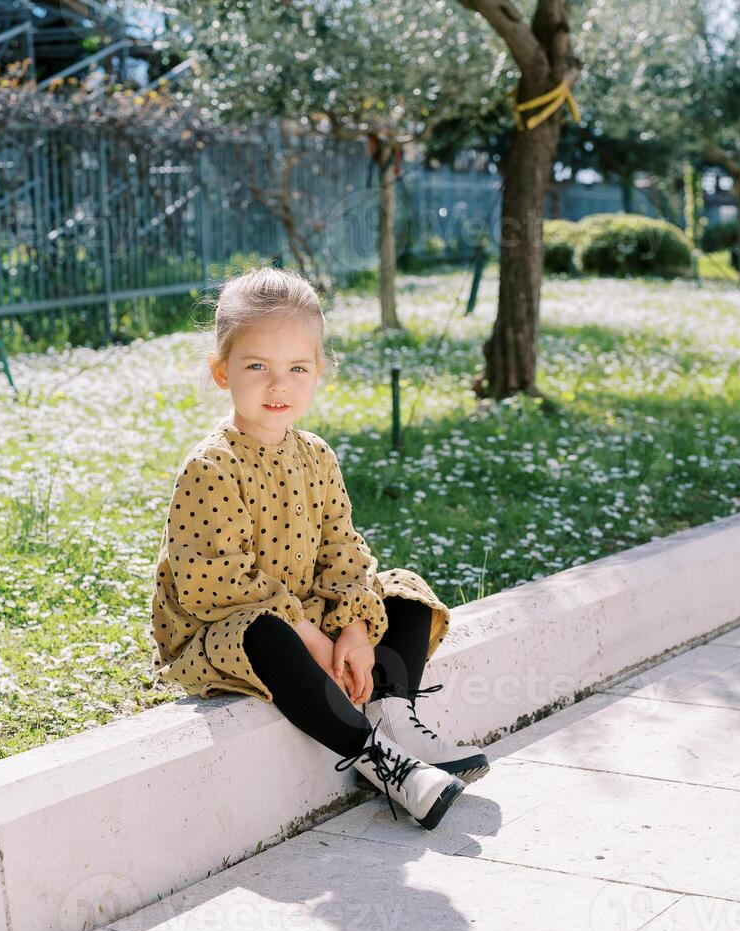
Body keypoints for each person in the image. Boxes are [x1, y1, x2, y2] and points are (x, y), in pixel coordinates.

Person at [149, 266, 488, 831]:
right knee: (266, 634)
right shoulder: (212, 466)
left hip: (312, 611)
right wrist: (309, 634)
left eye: (296, 368)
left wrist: (352, 629)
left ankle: (392, 716)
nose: (278, 385)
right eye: (257, 366)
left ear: (319, 372)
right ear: (222, 372)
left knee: (402, 594)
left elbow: (343, 552)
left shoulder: (317, 456)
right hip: (231, 627)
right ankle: (380, 762)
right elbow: (217, 585)